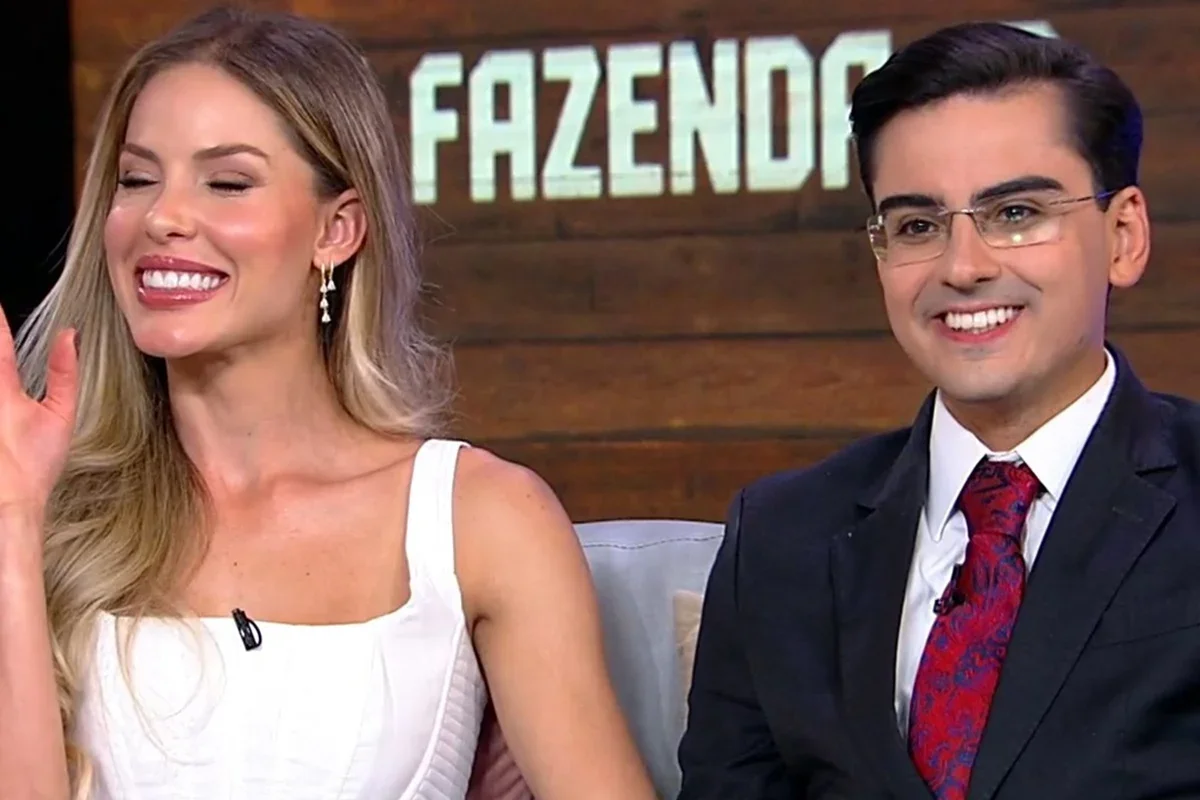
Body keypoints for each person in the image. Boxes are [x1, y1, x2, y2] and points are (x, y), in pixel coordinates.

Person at [0, 6, 658, 800]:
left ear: (337, 230)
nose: (163, 217)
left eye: (227, 183)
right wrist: (14, 522)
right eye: (137, 179)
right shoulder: (47, 512)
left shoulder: (481, 519)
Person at [678, 20, 1200, 800]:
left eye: (1016, 213)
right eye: (917, 226)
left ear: (1123, 235)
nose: (962, 268)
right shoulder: (781, 538)